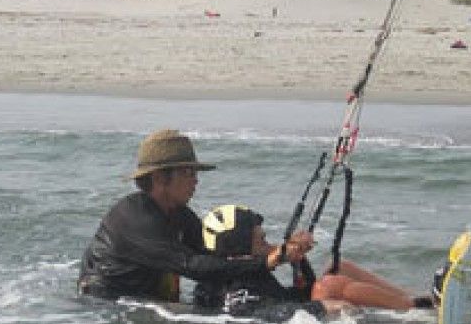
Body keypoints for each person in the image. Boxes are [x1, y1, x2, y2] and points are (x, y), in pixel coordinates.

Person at [78, 129, 312, 302]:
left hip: (147, 302)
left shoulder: (178, 213)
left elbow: (213, 254)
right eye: (188, 172)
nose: (196, 180)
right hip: (108, 306)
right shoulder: (132, 218)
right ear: (160, 178)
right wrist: (267, 262)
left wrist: (281, 251)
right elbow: (193, 266)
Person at [197, 204, 437, 320]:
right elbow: (261, 312)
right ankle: (417, 309)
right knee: (327, 286)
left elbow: (298, 291)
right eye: (261, 240)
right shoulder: (233, 286)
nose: (268, 245)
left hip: (295, 310)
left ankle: (414, 297)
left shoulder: (248, 268)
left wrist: (297, 260)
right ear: (238, 247)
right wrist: (321, 307)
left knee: (338, 266)